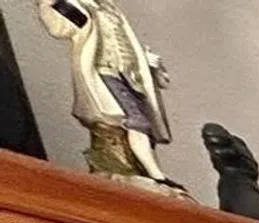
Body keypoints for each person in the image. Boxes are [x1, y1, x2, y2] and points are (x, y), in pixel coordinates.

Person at [38, 0, 181, 192]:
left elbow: (126, 40)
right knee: (136, 121)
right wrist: (50, 5)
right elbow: (60, 28)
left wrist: (145, 61)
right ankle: (156, 174)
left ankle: (148, 171)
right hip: (103, 70)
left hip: (128, 73)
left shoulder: (109, 7)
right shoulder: (75, 4)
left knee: (141, 120)